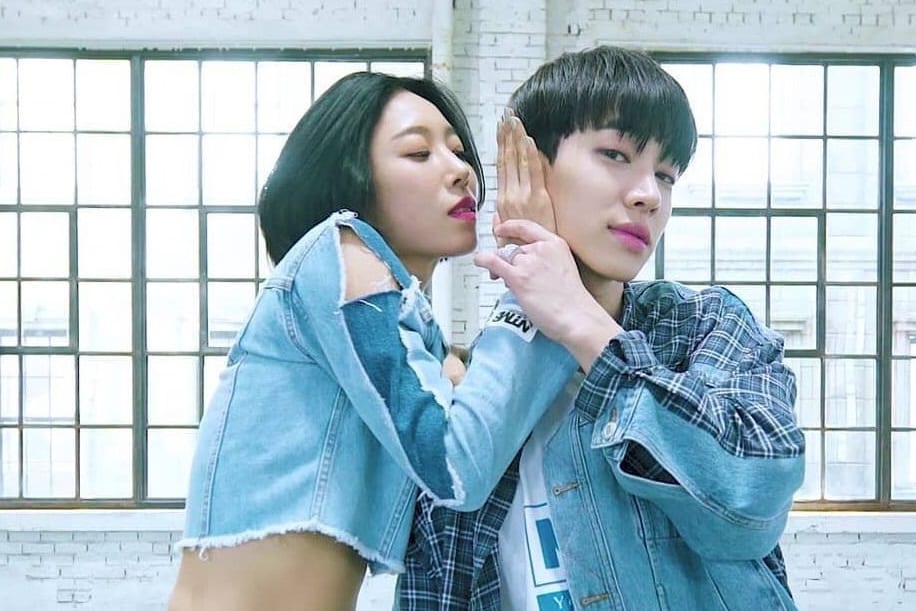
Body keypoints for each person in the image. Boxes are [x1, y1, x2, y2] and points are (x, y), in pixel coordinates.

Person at [397, 45, 806, 611]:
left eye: (666, 175)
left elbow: (751, 501)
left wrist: (581, 321)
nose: (649, 195)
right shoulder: (470, 391)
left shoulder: (703, 327)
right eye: (616, 154)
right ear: (529, 165)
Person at [167, 71, 580, 611]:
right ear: (352, 176)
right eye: (418, 153)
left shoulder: (414, 332)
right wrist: (532, 285)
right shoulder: (340, 249)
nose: (461, 171)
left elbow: (472, 420)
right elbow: (455, 468)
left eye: (459, 152)